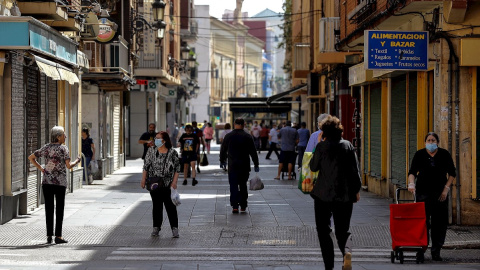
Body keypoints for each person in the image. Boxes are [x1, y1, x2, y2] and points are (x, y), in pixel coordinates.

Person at [309, 115, 361, 270]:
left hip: (322, 195)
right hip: (344, 195)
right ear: (340, 131)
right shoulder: (348, 146)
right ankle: (347, 254)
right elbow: (355, 172)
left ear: (324, 132)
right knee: (343, 231)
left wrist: (318, 146)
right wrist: (356, 191)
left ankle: (329, 266)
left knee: (323, 231)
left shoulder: (321, 147)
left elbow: (313, 167)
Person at [28, 126, 81, 244]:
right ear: (58, 136)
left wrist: (41, 168)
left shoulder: (46, 148)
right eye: (63, 135)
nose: (65, 137)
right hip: (60, 183)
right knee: (60, 208)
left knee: (49, 208)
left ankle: (48, 235)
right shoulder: (63, 149)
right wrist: (77, 161)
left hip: (47, 182)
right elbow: (68, 166)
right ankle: (58, 236)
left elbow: (31, 157)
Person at [407, 132, 456, 261]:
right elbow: (412, 172)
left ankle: (436, 251)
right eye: (428, 140)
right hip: (423, 193)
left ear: (437, 142)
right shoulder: (419, 154)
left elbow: (452, 173)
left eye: (433, 140)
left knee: (439, 223)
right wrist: (411, 183)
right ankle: (421, 250)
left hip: (440, 195)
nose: (430, 143)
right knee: (422, 223)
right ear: (425, 142)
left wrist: (446, 189)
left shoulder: (444, 154)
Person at [141, 131, 181, 238]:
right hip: (154, 184)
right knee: (156, 206)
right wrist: (143, 179)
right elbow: (146, 166)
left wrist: (174, 182)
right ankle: (156, 228)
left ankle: (174, 229)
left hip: (168, 184)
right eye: (155, 138)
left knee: (170, 207)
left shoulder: (172, 153)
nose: (156, 140)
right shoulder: (151, 151)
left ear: (164, 140)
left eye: (158, 138)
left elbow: (177, 168)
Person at [220, 118, 259, 213]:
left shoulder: (228, 136)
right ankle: (243, 205)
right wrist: (256, 164)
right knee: (243, 185)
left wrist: (222, 161)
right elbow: (253, 152)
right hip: (244, 166)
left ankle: (234, 206)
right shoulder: (247, 136)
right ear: (244, 125)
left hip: (232, 165)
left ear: (234, 124)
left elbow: (223, 149)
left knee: (233, 185)